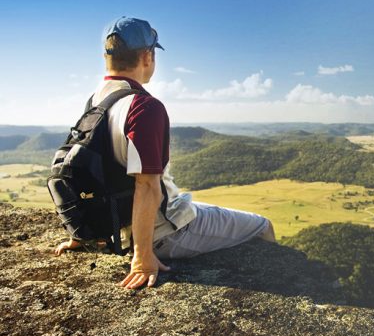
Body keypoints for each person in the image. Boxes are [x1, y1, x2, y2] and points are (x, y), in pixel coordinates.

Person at [54, 16, 276, 289]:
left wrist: (82, 233)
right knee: (262, 225)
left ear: (107, 57)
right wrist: (143, 257)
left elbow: (81, 164)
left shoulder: (95, 102)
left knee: (202, 207)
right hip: (166, 232)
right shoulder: (143, 107)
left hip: (119, 229)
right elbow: (147, 186)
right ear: (147, 57)